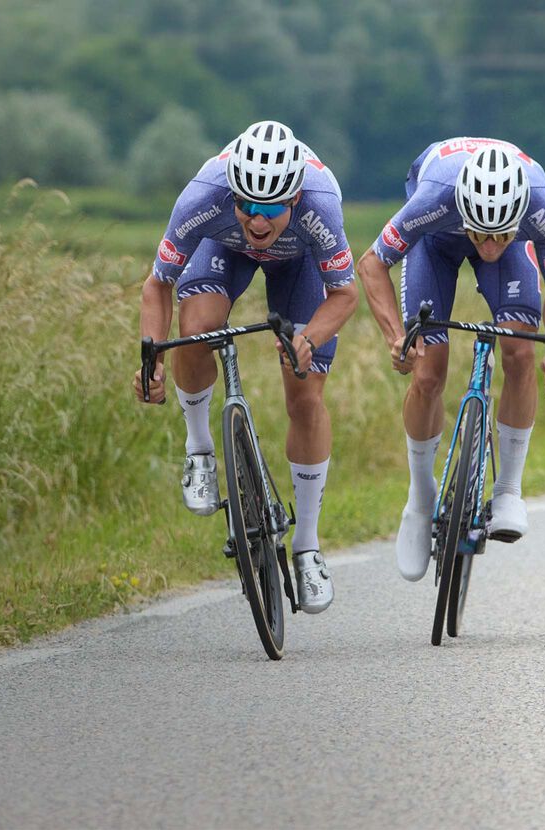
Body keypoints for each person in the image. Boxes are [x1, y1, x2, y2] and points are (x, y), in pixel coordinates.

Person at [131, 120, 359, 612]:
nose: (257, 220)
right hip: (223, 251)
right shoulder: (204, 197)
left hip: (298, 266)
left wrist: (309, 338)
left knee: (305, 395)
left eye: (271, 207)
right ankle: (199, 449)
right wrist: (151, 356)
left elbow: (345, 295)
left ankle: (307, 547)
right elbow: (157, 285)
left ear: (294, 199)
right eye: (247, 206)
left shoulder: (322, 206)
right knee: (195, 332)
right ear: (231, 193)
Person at [355, 137, 545, 581]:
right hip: (437, 240)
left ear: (517, 220)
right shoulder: (435, 195)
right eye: (482, 233)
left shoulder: (538, 205)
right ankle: (420, 498)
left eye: (501, 234)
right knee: (428, 371)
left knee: (519, 351)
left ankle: (509, 489)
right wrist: (396, 338)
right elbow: (371, 263)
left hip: (506, 229)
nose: (490, 245)